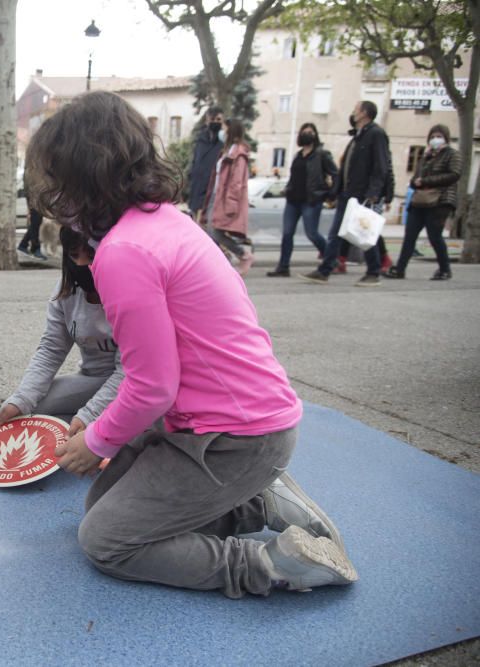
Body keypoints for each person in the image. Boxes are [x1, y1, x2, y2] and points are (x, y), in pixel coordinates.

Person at [25, 91, 356, 598]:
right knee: (104, 510)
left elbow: (152, 386)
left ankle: (273, 564)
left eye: (56, 175)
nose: (54, 193)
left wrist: (96, 441)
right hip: (229, 424)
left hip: (234, 439)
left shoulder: (123, 251)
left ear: (83, 175)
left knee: (107, 541)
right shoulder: (163, 219)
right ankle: (258, 506)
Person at [0, 226, 122, 434]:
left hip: (132, 386)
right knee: (31, 405)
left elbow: (130, 373)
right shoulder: (66, 289)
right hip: (91, 378)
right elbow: (51, 349)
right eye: (73, 255)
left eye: (90, 255)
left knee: (103, 428)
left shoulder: (129, 293)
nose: (80, 263)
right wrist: (21, 399)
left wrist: (89, 414)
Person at [301, 100, 390, 287]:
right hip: (348, 194)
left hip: (361, 195)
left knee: (364, 233)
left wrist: (374, 192)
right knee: (335, 235)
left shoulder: (376, 134)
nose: (353, 113)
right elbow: (345, 169)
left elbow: (381, 166)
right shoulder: (358, 137)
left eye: (355, 110)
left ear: (365, 113)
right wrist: (335, 192)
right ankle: (325, 270)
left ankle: (373, 271)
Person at [385, 124, 461, 282]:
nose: (435, 139)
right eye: (432, 137)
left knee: (435, 236)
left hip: (440, 200)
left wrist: (426, 181)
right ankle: (400, 269)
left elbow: (454, 174)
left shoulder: (452, 155)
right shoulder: (426, 157)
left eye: (438, 136)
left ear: (446, 138)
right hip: (420, 200)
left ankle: (444, 269)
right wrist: (415, 182)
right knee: (410, 236)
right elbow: (415, 178)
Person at [267, 123, 337, 277]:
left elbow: (335, 174)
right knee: (287, 233)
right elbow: (294, 177)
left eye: (311, 132)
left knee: (311, 233)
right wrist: (288, 188)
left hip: (311, 201)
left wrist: (329, 194)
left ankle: (331, 259)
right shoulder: (298, 156)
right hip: (293, 200)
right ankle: (283, 267)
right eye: (305, 132)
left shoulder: (322, 155)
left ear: (315, 135)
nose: (307, 134)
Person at [202, 117, 254, 275]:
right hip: (215, 196)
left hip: (225, 199)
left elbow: (237, 182)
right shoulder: (227, 151)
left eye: (224, 128)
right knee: (207, 229)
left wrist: (231, 204)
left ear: (231, 130)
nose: (221, 132)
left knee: (215, 231)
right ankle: (224, 260)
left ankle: (242, 254)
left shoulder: (239, 154)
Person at [186, 106, 224, 219]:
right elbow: (194, 164)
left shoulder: (224, 142)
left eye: (218, 120)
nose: (215, 123)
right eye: (212, 120)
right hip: (197, 192)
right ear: (207, 121)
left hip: (213, 195)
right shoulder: (200, 140)